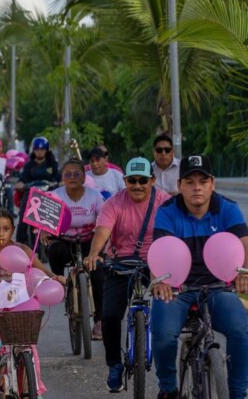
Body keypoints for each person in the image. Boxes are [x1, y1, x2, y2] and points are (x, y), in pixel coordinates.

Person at [150, 154, 248, 399]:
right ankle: (168, 388)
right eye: (190, 182)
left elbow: (245, 246)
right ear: (179, 185)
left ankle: (237, 392)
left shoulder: (227, 208)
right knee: (162, 336)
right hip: (177, 288)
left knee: (240, 330)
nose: (197, 187)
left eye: (202, 181)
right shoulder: (167, 212)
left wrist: (245, 273)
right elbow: (160, 251)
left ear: (212, 183)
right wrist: (160, 280)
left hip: (218, 287)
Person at [83, 157, 171, 392]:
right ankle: (114, 365)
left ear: (152, 180)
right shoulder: (114, 203)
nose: (138, 185)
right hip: (121, 263)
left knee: (170, 316)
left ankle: (169, 375)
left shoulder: (165, 202)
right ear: (125, 181)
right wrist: (94, 252)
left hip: (159, 263)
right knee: (109, 315)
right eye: (132, 180)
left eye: (143, 180)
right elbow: (102, 231)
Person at [0, 209, 54, 395]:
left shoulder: (22, 249)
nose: (1, 233)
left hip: (20, 297)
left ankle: (35, 387)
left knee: (28, 341)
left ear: (12, 230)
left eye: (5, 229)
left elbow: (40, 268)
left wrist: (54, 277)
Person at [44, 159, 105, 339]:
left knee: (98, 271)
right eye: (67, 174)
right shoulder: (54, 196)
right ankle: (60, 282)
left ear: (84, 177)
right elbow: (45, 223)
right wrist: (44, 234)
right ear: (62, 177)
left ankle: (99, 322)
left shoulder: (95, 196)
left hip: (89, 241)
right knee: (54, 250)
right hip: (63, 240)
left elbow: (103, 222)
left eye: (76, 174)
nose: (72, 178)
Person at [15, 137, 61, 243]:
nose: (39, 152)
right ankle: (21, 245)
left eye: (42, 150)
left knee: (57, 219)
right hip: (31, 195)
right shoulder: (28, 165)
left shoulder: (53, 164)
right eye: (37, 149)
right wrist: (21, 185)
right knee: (22, 220)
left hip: (49, 195)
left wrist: (59, 183)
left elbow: (59, 178)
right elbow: (21, 180)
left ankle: (57, 241)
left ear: (46, 150)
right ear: (33, 150)